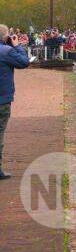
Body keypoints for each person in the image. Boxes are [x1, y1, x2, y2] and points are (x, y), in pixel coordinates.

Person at [0, 24, 31, 180]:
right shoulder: (7, 51)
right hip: (2, 99)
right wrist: (17, 46)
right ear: (6, 37)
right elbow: (24, 62)